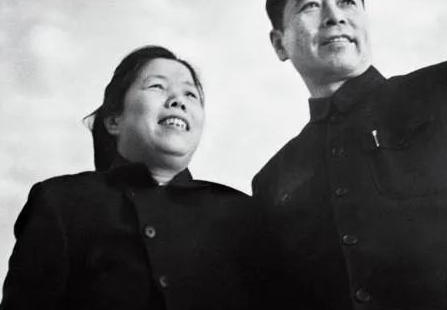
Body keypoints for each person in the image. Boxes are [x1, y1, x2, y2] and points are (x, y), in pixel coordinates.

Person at [252, 0, 447, 309]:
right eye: (310, 5)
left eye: (347, 2)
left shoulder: (446, 87)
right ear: (279, 44)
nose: (334, 16)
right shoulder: (272, 180)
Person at [1, 45, 271, 310]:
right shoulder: (61, 201)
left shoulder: (242, 214)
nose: (178, 101)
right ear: (114, 120)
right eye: (157, 86)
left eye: (190, 94)